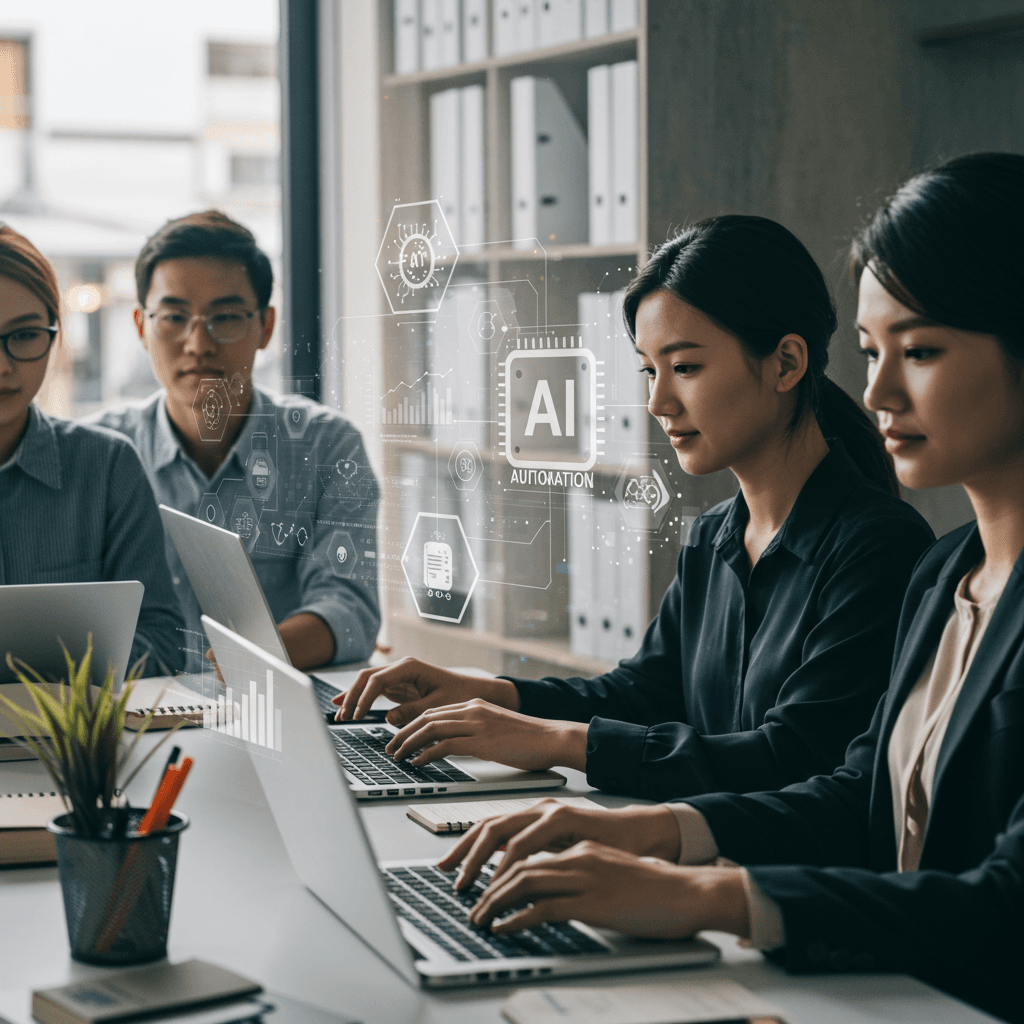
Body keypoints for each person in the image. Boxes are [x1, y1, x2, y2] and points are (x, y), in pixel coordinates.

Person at [438, 153, 1024, 1024]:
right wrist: (651, 833)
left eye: (923, 350)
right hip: (873, 986)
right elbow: (855, 794)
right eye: (870, 352)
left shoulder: (888, 546)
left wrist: (710, 898)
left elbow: (1003, 906)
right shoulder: (947, 574)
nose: (878, 390)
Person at [336, 215, 933, 801]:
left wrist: (553, 742)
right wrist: (481, 692)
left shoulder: (878, 547)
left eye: (685, 367)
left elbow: (792, 758)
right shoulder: (713, 538)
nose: (657, 401)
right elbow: (640, 691)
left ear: (786, 363)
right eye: (650, 371)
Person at [91, 211, 380, 673]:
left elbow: (350, 610)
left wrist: (242, 659)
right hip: (131, 717)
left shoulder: (327, 446)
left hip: (274, 708)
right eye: (174, 317)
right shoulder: (99, 451)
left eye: (224, 317)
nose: (198, 342)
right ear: (142, 326)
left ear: (265, 326)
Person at [0, 223, 184, 676]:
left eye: (23, 335)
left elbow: (163, 641)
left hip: (75, 740)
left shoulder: (105, 466)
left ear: (55, 335)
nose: (2, 368)